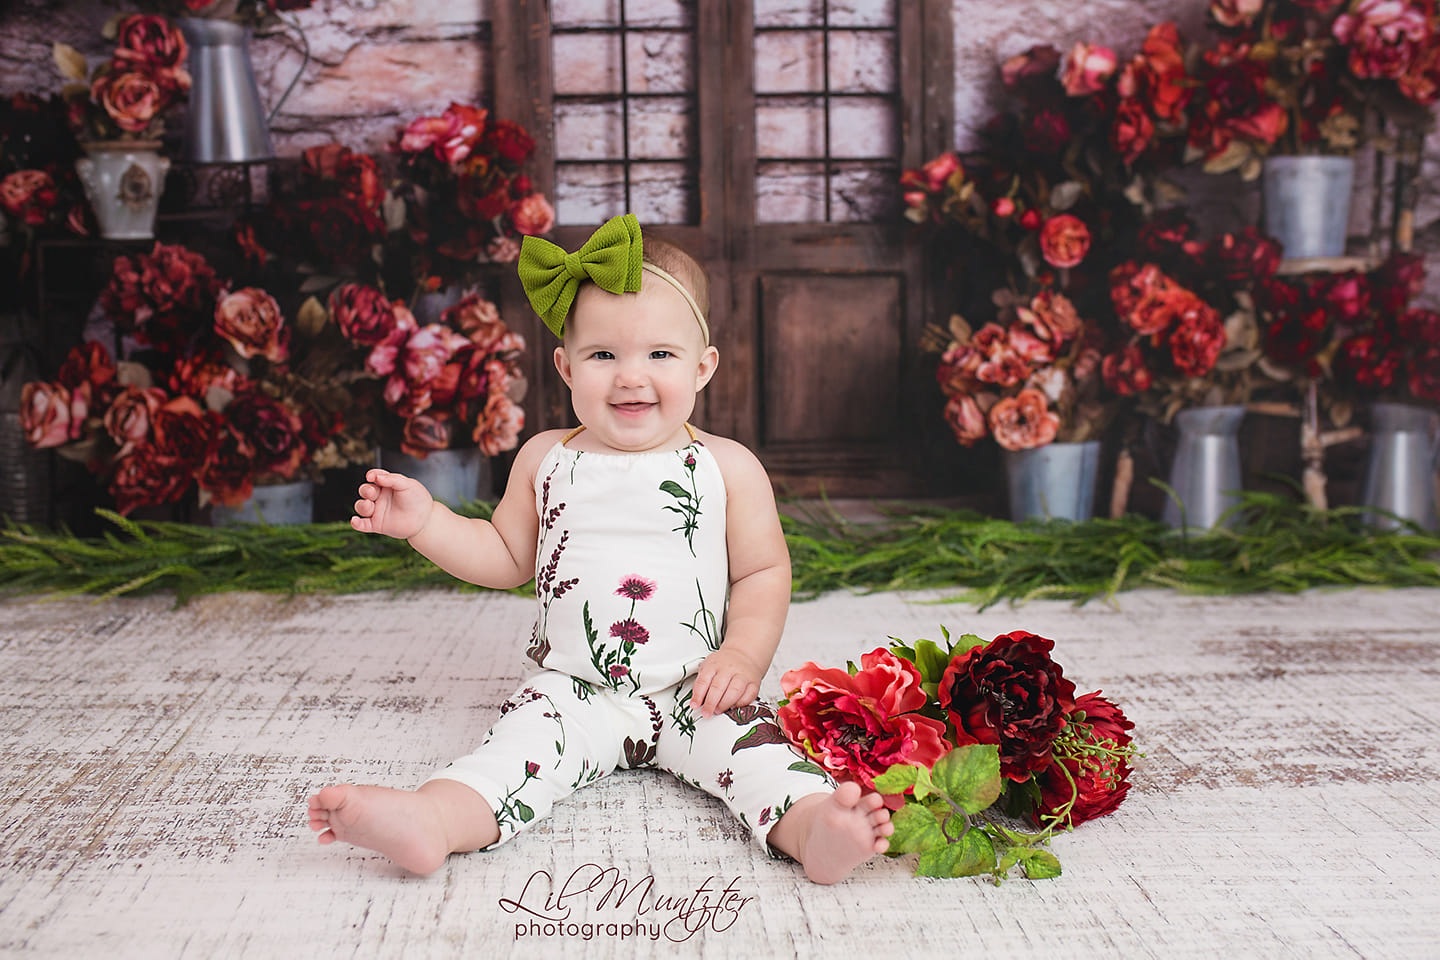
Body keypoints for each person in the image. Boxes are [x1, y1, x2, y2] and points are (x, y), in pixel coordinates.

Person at [306, 214, 892, 884]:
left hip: (694, 687)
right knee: (512, 756)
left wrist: (740, 654)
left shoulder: (726, 467)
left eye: (660, 355)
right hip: (573, 689)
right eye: (604, 355)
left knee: (759, 756)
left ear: (703, 369)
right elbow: (503, 555)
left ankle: (817, 829)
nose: (630, 378)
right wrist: (427, 522)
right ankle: (432, 821)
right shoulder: (545, 459)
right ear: (565, 366)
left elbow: (762, 571)